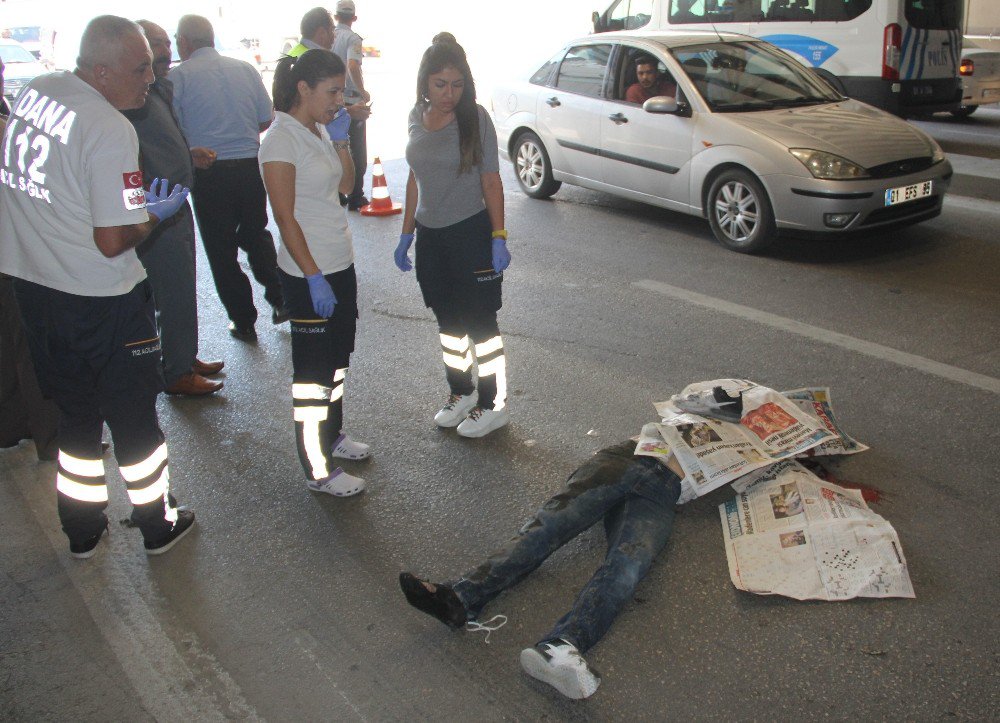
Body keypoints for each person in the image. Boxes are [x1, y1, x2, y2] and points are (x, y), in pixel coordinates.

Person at [0, 15, 196, 558]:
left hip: (35, 291)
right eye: (140, 70)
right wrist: (154, 215)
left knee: (76, 416)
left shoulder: (38, 92)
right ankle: (158, 523)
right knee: (135, 420)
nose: (150, 80)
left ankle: (81, 529)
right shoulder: (111, 128)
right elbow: (114, 239)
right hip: (103, 302)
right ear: (102, 71)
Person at [400, 439, 686, 699]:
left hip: (664, 490)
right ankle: (458, 597)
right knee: (550, 524)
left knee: (631, 562)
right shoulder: (718, 393)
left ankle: (561, 647)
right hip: (630, 457)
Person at [259, 49, 370, 497]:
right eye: (332, 91)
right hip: (309, 274)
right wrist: (312, 276)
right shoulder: (280, 140)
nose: (339, 100)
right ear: (303, 89)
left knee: (337, 361)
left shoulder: (318, 130)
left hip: (339, 262)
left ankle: (332, 436)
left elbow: (346, 187)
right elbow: (284, 219)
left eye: (341, 90)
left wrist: (341, 140)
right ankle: (317, 468)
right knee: (311, 376)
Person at [394, 35, 512, 439]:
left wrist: (499, 235)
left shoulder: (474, 118)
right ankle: (461, 391)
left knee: (481, 323)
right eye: (440, 84)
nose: (449, 94)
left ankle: (493, 403)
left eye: (457, 84)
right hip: (431, 236)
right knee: (447, 321)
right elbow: (414, 178)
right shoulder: (416, 114)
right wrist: (406, 232)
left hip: (470, 232)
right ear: (425, 82)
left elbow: (491, 181)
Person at [171, 14, 287, 343]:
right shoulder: (245, 69)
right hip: (250, 166)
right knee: (256, 234)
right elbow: (266, 118)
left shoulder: (178, 77)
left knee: (221, 249)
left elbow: (174, 131)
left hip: (208, 172)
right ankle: (280, 299)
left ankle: (243, 320)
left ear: (184, 42)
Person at [123, 19, 224, 397]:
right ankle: (176, 370)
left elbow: (161, 142)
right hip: (158, 210)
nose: (165, 53)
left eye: (166, 44)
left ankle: (181, 356)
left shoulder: (157, 90)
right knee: (172, 289)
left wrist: (187, 155)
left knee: (181, 287)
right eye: (154, 47)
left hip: (175, 204)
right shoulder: (131, 98)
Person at [0, 58, 59, 459]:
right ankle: (53, 436)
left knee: (9, 341)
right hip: (14, 250)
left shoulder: (7, 112)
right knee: (33, 343)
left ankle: (12, 424)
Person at [331, 0, 371, 210]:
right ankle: (356, 195)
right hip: (351, 100)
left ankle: (337, 193)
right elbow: (353, 65)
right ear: (354, 18)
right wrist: (362, 92)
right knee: (357, 150)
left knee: (334, 147)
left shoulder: (330, 35)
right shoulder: (353, 39)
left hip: (331, 101)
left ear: (336, 16)